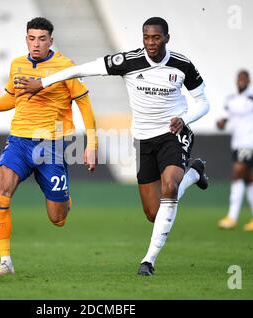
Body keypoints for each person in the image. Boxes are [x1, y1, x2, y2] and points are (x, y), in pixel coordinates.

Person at [16, 17, 210, 276]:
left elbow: (203, 103)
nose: (151, 43)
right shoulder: (128, 62)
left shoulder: (182, 64)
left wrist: (184, 119)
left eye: (156, 37)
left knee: (169, 187)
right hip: (144, 140)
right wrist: (43, 83)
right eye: (147, 37)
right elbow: (80, 70)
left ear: (166, 38)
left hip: (174, 133)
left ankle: (148, 261)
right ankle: (194, 173)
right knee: (154, 213)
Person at [0, 17, 98, 276]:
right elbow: (12, 98)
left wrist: (91, 144)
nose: (36, 44)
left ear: (51, 40)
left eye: (42, 38)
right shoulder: (17, 65)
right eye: (32, 38)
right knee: (2, 189)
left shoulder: (65, 66)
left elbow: (84, 104)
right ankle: (5, 260)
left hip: (51, 144)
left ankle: (64, 200)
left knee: (58, 219)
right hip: (18, 140)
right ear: (26, 39)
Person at [217, 70, 253, 231]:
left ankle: (232, 217)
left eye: (245, 78)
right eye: (240, 78)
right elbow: (224, 120)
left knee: (237, 174)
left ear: (249, 81)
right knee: (249, 179)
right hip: (236, 144)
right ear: (236, 81)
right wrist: (220, 123)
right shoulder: (231, 100)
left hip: (250, 142)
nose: (242, 81)